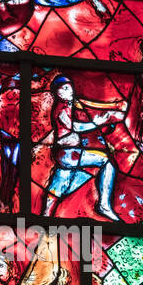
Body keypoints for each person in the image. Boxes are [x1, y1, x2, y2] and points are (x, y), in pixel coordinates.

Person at [41, 75, 123, 219]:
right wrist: (96, 123)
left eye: (70, 87)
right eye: (65, 88)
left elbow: (73, 126)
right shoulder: (61, 109)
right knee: (106, 162)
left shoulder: (68, 106)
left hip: (69, 154)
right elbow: (74, 127)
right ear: (57, 93)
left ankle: (45, 216)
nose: (70, 91)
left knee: (60, 185)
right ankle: (103, 205)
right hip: (69, 154)